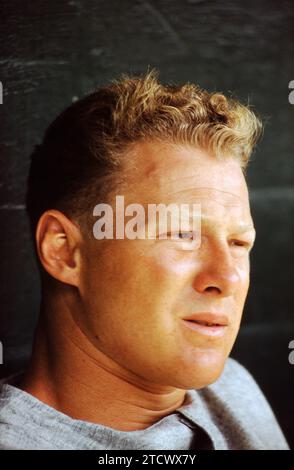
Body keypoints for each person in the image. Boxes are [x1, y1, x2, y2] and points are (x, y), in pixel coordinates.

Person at [0, 70, 289, 450]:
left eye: (238, 242)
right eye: (182, 235)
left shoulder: (233, 390)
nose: (228, 278)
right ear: (64, 251)